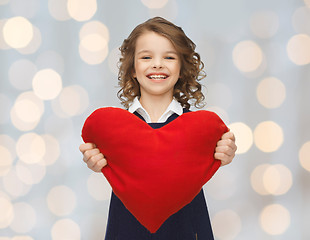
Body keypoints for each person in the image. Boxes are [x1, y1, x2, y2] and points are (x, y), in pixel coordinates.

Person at [79, 17, 237, 240]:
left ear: (182, 69)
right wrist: (97, 161)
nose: (157, 64)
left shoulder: (198, 130)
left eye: (169, 57)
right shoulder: (114, 132)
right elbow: (100, 159)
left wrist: (225, 153)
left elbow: (219, 150)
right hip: (127, 227)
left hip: (185, 227)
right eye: (146, 57)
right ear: (133, 69)